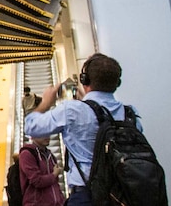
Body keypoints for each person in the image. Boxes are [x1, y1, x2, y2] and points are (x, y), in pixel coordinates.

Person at [25, 53, 141, 206]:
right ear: (116, 83)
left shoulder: (73, 110)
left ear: (85, 80)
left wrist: (45, 103)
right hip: (124, 195)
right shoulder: (130, 114)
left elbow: (31, 127)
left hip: (87, 196)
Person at [19, 135, 63, 206]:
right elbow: (37, 181)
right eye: (42, 133)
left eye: (48, 133)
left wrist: (61, 200)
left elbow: (55, 183)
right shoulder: (27, 154)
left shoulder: (50, 156)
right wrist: (54, 175)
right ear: (32, 136)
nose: (47, 136)